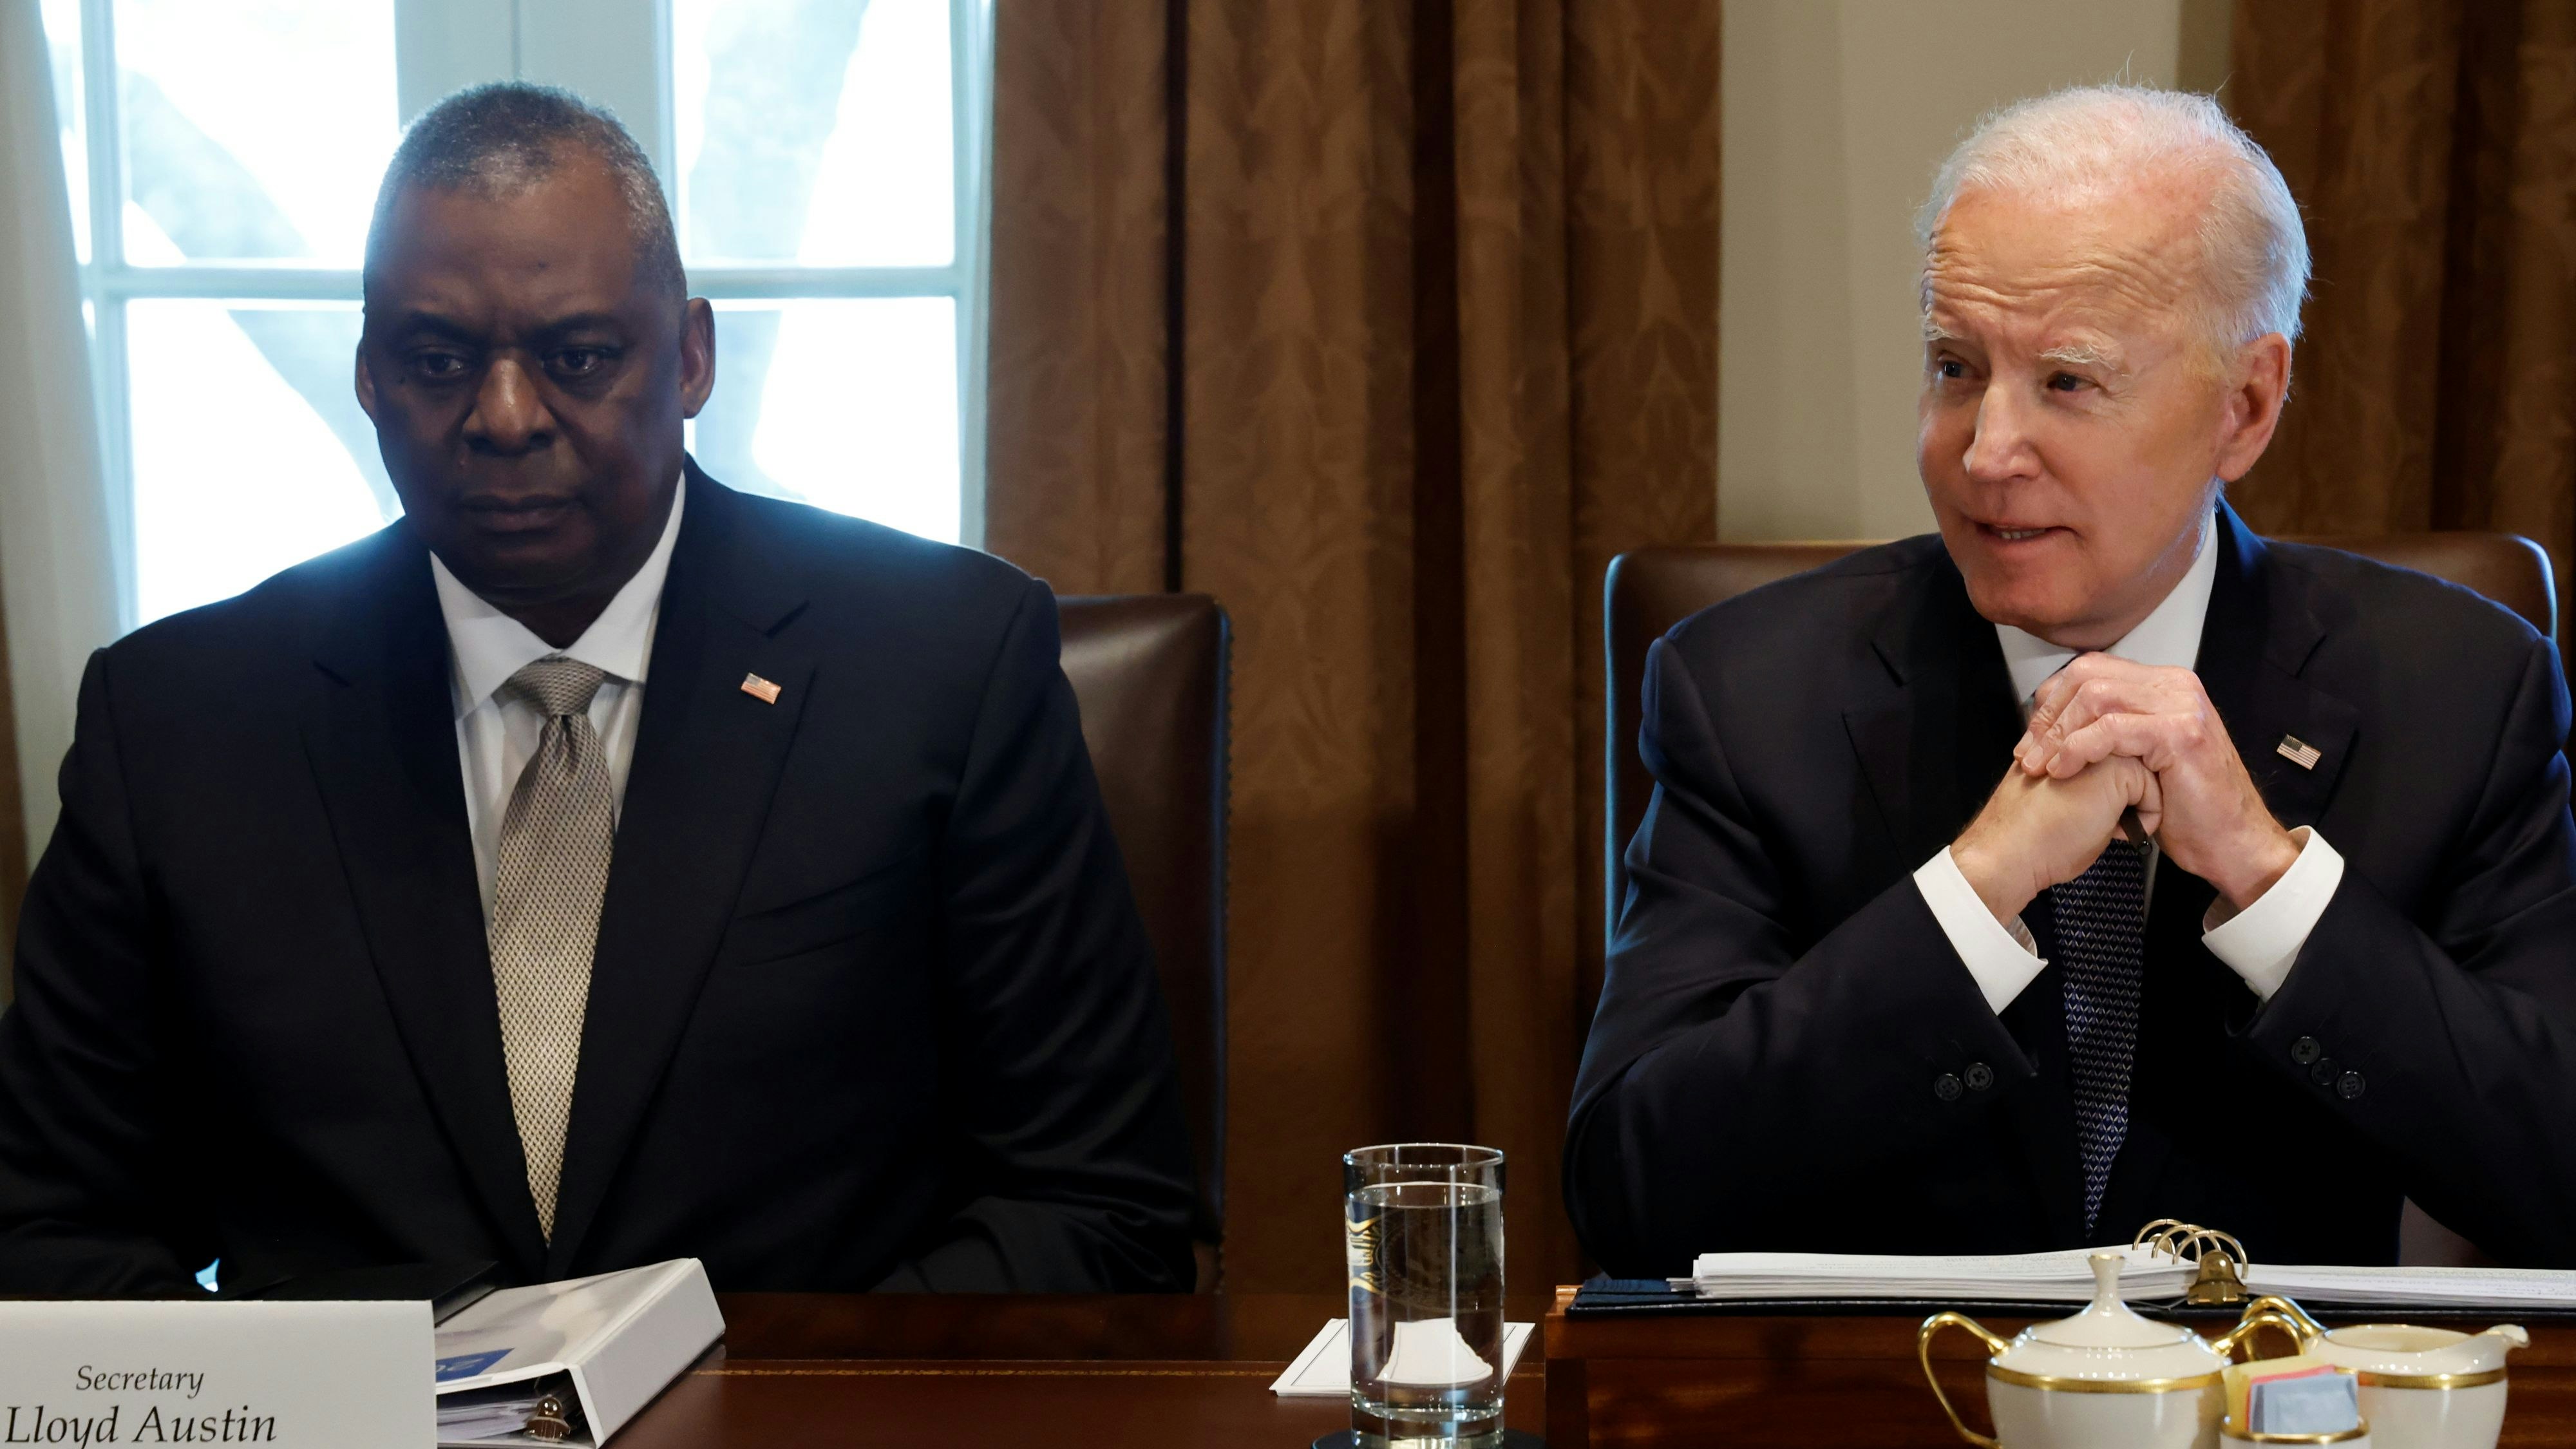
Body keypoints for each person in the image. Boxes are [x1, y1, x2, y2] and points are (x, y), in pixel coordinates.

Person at [0, 84, 1198, 1295]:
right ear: (367, 376)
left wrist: (782, 1409)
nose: (506, 417)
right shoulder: (178, 724)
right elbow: (52, 1230)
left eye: (577, 357)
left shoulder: (943, 666)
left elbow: (1101, 1203)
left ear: (690, 357)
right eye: (437, 361)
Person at [1565, 86, 2576, 1273]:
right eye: (1954, 366)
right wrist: (1974, 889)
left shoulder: (2457, 688)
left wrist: (2270, 879)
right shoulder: (1746, 691)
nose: (1987, 452)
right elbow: (1635, 1190)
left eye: (2069, 382)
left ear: (2244, 408)